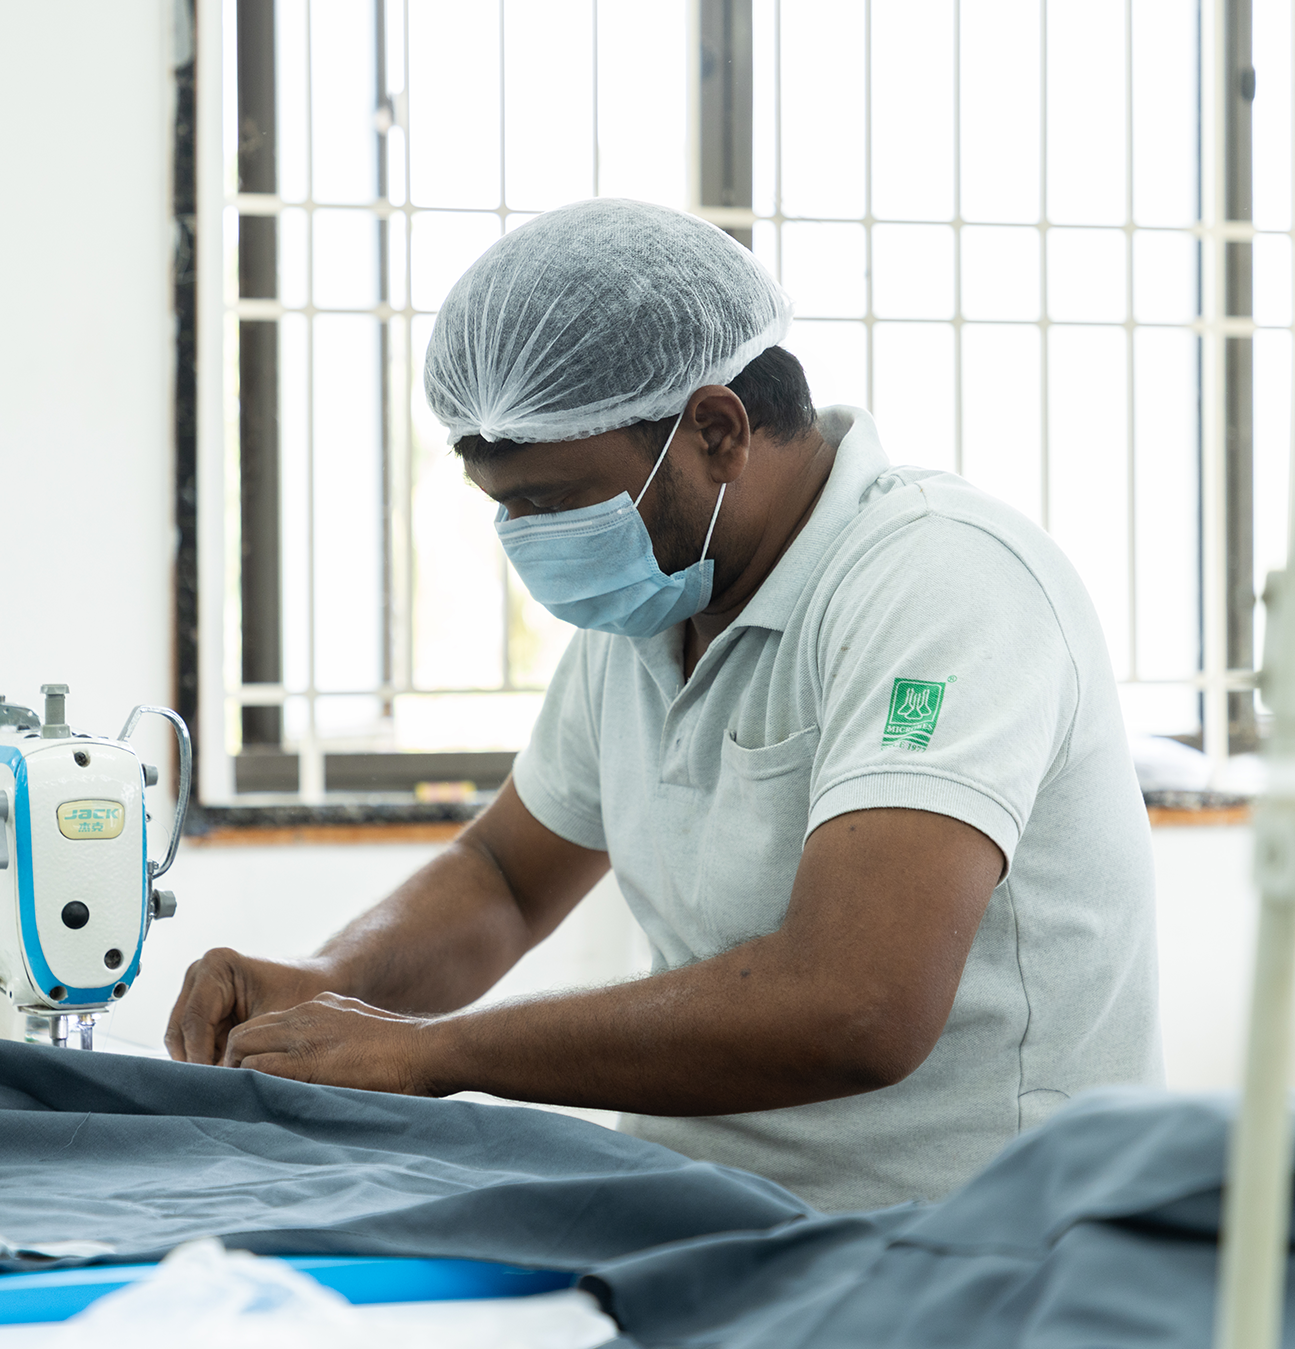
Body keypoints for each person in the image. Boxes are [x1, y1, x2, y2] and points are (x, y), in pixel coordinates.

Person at [166, 198, 1160, 1212]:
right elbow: (504, 877)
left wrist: (430, 1052)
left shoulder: (939, 583)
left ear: (716, 430)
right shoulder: (651, 611)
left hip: (960, 1250)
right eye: (502, 509)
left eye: (552, 502)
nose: (525, 541)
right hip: (705, 1221)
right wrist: (327, 981)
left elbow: (859, 1005)